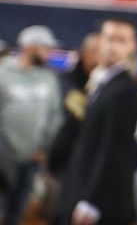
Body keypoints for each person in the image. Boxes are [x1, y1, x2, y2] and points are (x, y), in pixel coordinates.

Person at [53, 17, 137, 225]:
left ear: (132, 46)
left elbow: (114, 151)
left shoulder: (124, 90)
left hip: (97, 202)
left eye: (121, 40)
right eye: (109, 38)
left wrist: (92, 201)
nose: (113, 46)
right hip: (83, 188)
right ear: (99, 41)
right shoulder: (104, 84)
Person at [1, 26, 64, 225]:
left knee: (18, 211)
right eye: (46, 48)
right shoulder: (3, 73)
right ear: (30, 47)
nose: (50, 53)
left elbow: (55, 116)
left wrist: (45, 147)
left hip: (32, 158)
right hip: (3, 157)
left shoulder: (48, 78)